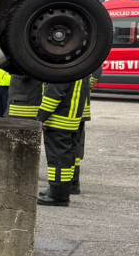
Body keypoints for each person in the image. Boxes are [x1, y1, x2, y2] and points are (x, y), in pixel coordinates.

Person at [35, 79, 87, 207]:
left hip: (58, 121)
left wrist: (41, 117)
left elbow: (54, 94)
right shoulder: (80, 67)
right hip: (71, 119)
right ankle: (60, 191)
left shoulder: (64, 70)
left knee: (58, 161)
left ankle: (58, 195)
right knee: (66, 161)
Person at [70, 66, 103, 195]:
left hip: (76, 110)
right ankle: (73, 181)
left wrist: (86, 86)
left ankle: (73, 182)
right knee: (74, 147)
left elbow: (97, 69)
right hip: (76, 109)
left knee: (74, 147)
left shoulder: (84, 56)